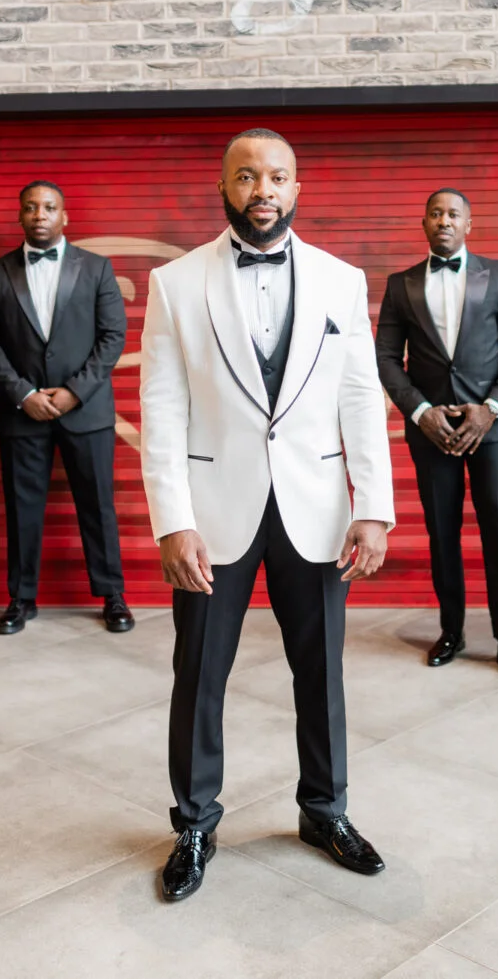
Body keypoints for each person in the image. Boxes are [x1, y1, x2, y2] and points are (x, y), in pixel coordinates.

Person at [139, 128, 395, 901]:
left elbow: (359, 397)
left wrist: (373, 507)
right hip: (214, 512)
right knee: (200, 674)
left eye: (277, 176)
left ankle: (325, 810)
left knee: (320, 674)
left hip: (316, 508)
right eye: (247, 176)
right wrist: (171, 520)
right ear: (225, 186)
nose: (263, 191)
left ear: (297, 188)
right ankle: (194, 821)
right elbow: (161, 408)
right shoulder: (175, 283)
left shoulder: (341, 281)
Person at [375, 188, 498, 681]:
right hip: (431, 433)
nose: (443, 220)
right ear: (424, 223)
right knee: (441, 533)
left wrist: (490, 410)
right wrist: (421, 411)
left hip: (491, 429)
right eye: (435, 213)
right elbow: (385, 357)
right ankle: (451, 631)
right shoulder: (401, 284)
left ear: (470, 224)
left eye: (453, 214)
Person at [0, 181, 133, 635]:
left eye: (49, 207)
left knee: (98, 506)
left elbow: (112, 336)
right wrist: (23, 394)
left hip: (87, 411)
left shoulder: (97, 268)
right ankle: (21, 599)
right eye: (30, 208)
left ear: (65, 217)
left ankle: (113, 596)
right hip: (23, 413)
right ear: (20, 217)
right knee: (22, 509)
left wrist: (73, 392)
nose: (39, 214)